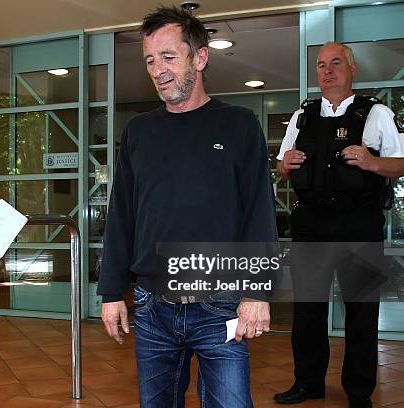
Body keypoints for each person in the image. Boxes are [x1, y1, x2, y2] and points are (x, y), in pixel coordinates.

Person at [97, 6, 278, 408]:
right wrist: (111, 292)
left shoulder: (240, 125)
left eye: (167, 56)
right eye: (148, 60)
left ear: (200, 57)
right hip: (151, 308)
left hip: (220, 303)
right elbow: (122, 217)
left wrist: (258, 291)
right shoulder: (139, 132)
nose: (157, 69)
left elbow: (259, 214)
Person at [274, 42, 404, 408]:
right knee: (308, 310)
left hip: (358, 224)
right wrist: (287, 165)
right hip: (310, 224)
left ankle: (359, 392)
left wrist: (373, 163)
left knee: (362, 311)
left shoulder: (376, 113)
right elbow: (282, 166)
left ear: (353, 70)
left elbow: (403, 162)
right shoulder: (303, 115)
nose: (327, 70)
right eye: (321, 65)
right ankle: (308, 382)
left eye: (335, 63)